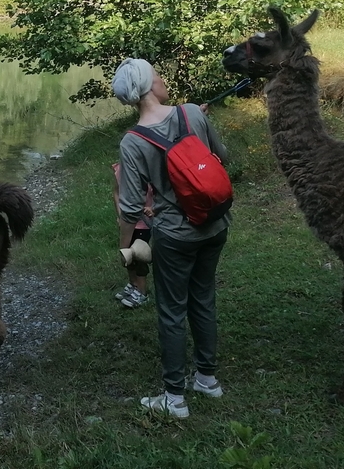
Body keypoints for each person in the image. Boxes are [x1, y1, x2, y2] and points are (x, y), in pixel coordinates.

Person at [112, 58, 231, 419]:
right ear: (150, 85)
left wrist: (125, 246)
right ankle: (207, 380)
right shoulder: (192, 112)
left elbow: (131, 206)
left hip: (175, 235)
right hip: (215, 225)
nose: (163, 80)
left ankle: (174, 398)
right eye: (158, 75)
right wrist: (197, 124)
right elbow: (221, 158)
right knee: (203, 298)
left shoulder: (133, 143)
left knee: (171, 312)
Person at [113, 164, 153, 309]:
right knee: (126, 253)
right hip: (127, 222)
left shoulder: (149, 169)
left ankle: (142, 292)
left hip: (143, 222)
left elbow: (162, 194)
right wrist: (120, 214)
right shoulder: (119, 169)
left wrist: (153, 208)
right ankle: (133, 284)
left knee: (139, 255)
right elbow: (116, 193)